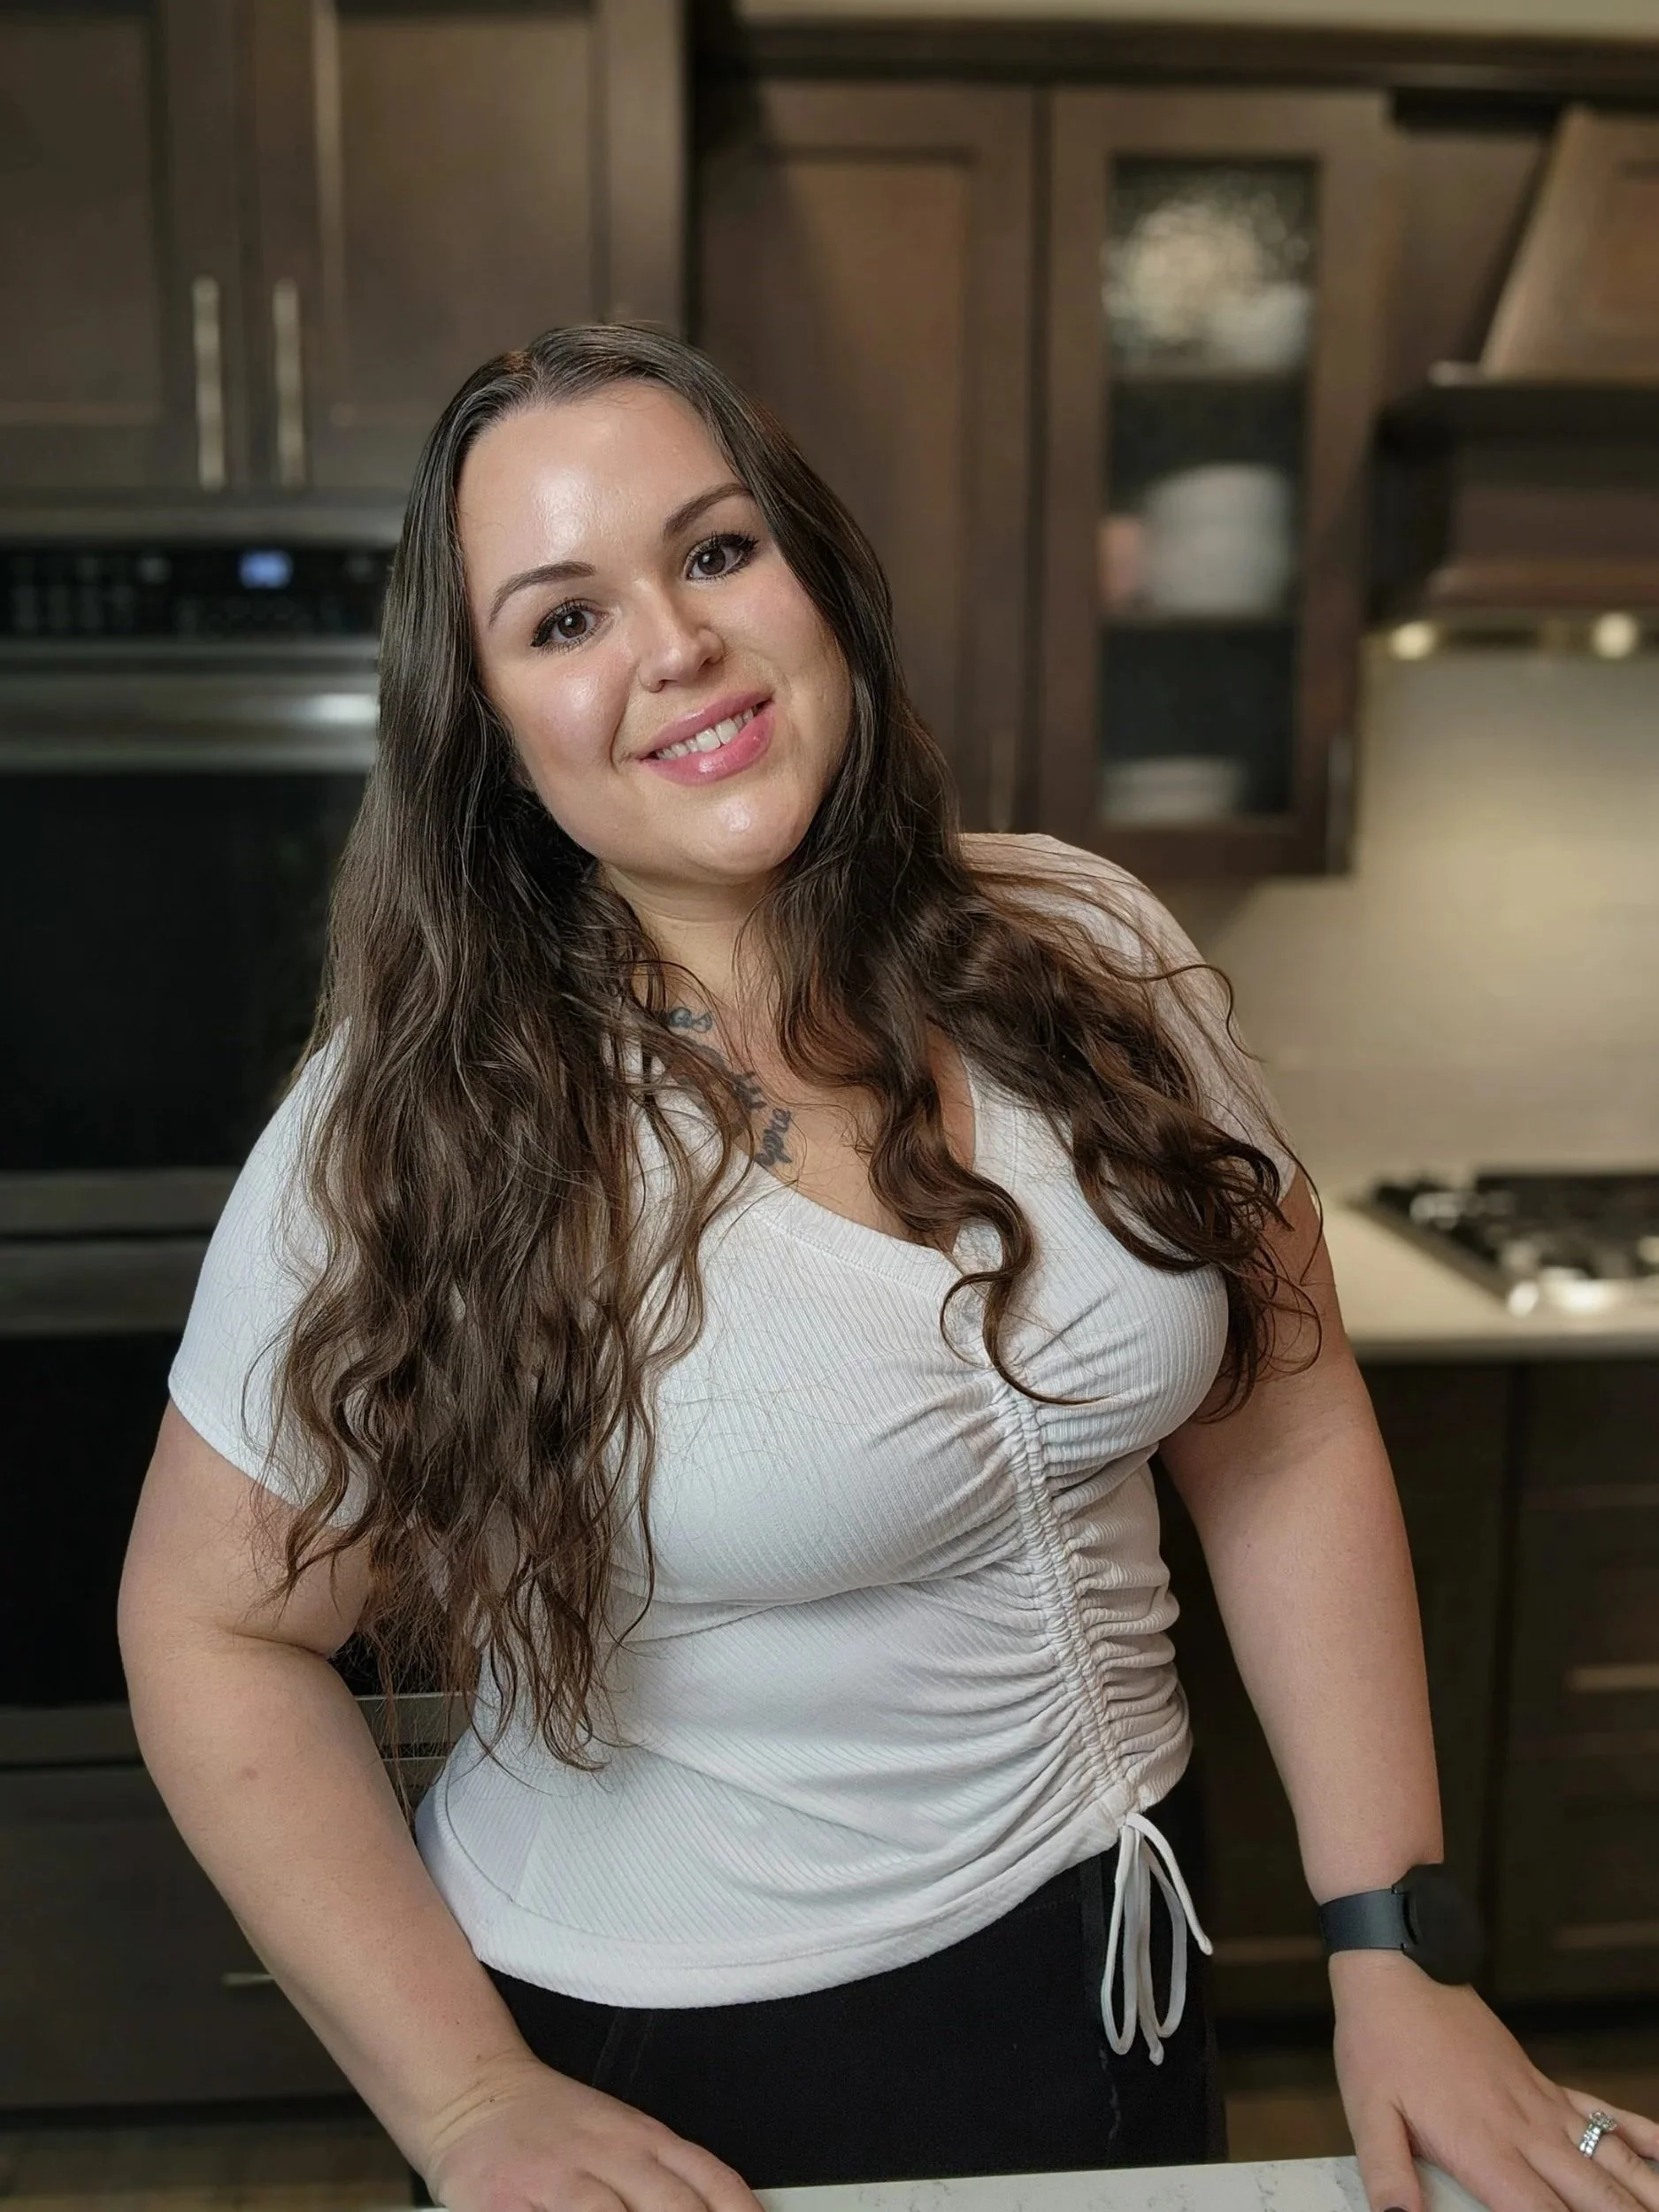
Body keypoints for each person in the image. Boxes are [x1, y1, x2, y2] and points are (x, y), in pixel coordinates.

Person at [119, 325, 1656, 2212]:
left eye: (711, 550)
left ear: (818, 578)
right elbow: (208, 1626)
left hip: (1119, 1953)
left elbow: (1279, 1410)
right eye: (560, 618)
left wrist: (1389, 1944)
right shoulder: (413, 1122)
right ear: (489, 733)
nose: (672, 644)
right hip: (684, 2049)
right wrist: (462, 2099)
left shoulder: (1085, 943)